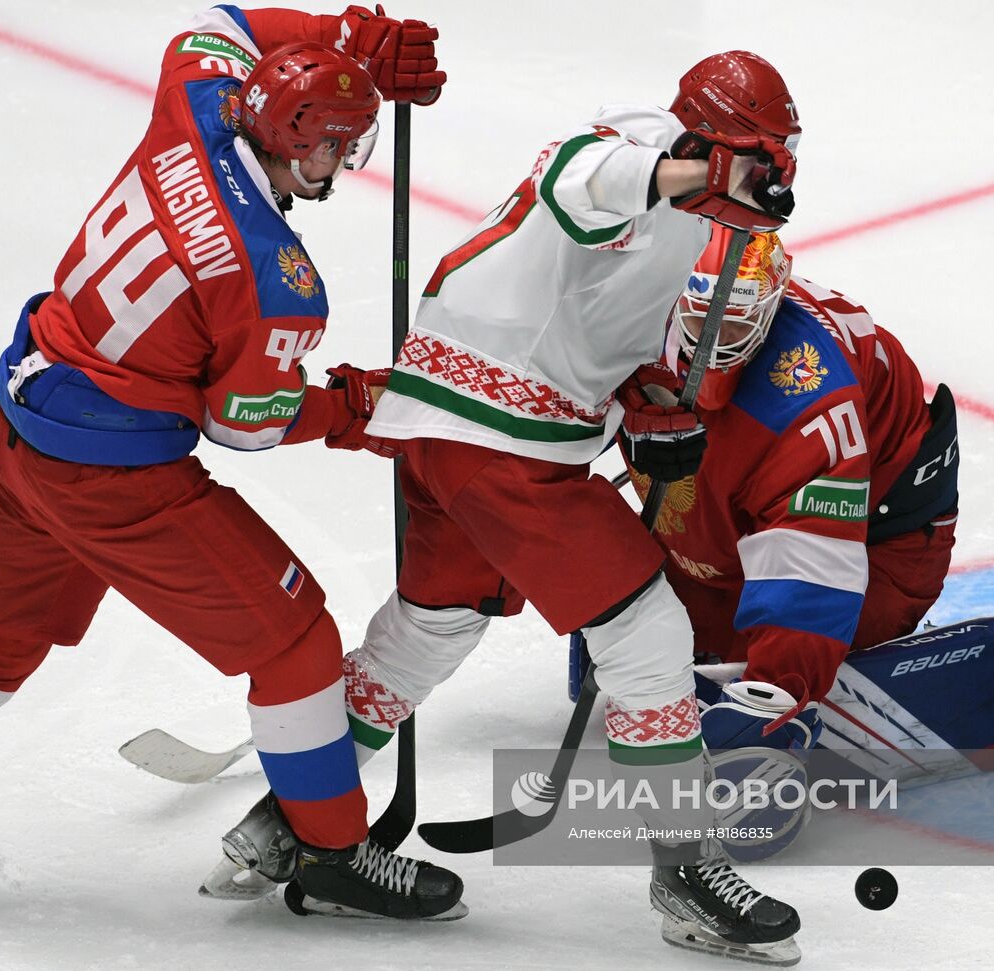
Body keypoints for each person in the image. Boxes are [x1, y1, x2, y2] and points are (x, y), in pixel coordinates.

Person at [0, 5, 465, 923]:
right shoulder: (273, 277)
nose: (342, 166)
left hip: (21, 426)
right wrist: (355, 407)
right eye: (339, 147)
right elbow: (245, 425)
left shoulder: (198, 99)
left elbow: (225, 18)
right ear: (306, 146)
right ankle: (330, 857)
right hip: (115, 483)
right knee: (296, 645)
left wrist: (343, 37)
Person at [209, 50, 810, 965]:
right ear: (703, 142)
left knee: (428, 631)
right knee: (647, 639)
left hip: (466, 433)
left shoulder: (713, 227)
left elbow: (622, 328)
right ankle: (686, 871)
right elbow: (583, 183)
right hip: (504, 444)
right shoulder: (631, 151)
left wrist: (650, 410)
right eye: (756, 155)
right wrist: (697, 168)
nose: (774, 175)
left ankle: (285, 822)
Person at [626, 224, 958, 743]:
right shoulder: (628, 312)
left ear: (772, 308)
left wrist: (773, 704)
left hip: (875, 544)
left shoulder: (811, 395)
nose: (712, 346)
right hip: (728, 522)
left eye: (735, 328)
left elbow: (814, 564)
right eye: (699, 322)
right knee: (648, 644)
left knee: (755, 671)